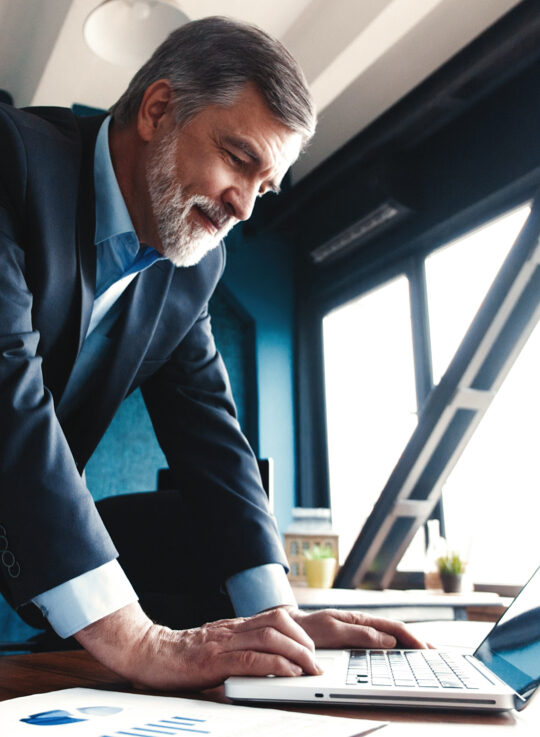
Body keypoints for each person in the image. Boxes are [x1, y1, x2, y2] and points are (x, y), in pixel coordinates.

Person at [0, 16, 427, 690]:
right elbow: (7, 396)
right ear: (158, 109)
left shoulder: (193, 266)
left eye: (264, 186)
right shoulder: (12, 160)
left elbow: (213, 438)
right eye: (238, 158)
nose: (244, 206)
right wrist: (141, 640)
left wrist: (277, 612)